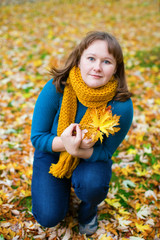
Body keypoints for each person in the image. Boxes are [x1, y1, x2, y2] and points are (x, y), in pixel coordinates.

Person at [31, 31, 133, 236]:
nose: (97, 67)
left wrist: (78, 150)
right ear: (79, 60)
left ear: (115, 68)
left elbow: (105, 152)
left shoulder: (121, 106)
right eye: (91, 58)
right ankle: (59, 187)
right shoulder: (57, 87)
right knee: (48, 217)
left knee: (92, 186)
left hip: (90, 157)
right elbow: (37, 137)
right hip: (53, 152)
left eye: (106, 61)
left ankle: (88, 209)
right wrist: (65, 145)